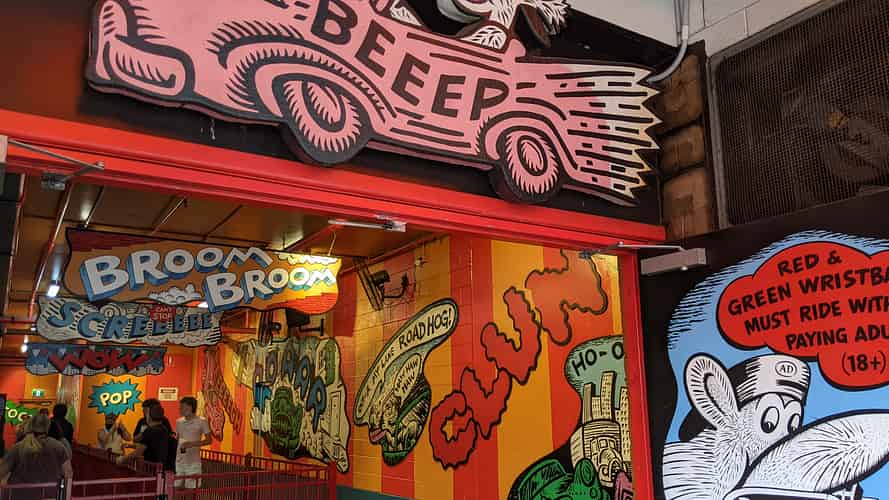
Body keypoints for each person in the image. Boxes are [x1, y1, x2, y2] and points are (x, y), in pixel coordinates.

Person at [0, 414, 72, 500]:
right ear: (47, 427)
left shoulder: (18, 447)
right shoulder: (59, 447)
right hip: (48, 496)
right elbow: (68, 473)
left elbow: (2, 471)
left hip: (17, 495)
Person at [117, 405, 170, 469]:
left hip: (150, 468)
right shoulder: (164, 429)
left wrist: (122, 459)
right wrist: (130, 445)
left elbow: (137, 453)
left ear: (149, 417)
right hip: (162, 468)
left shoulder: (149, 431)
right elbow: (150, 446)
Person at [174, 396, 211, 489]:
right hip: (179, 459)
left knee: (191, 488)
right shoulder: (179, 422)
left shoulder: (202, 421)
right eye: (180, 407)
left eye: (182, 407)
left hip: (193, 461)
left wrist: (191, 444)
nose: (180, 409)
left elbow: (209, 440)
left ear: (190, 407)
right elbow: (178, 438)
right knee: (176, 487)